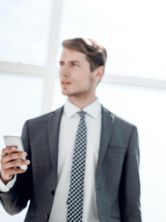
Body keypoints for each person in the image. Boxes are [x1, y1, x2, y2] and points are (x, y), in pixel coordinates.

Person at [0, 38, 141, 222]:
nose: (64, 72)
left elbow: (131, 209)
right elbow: (14, 206)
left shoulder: (125, 133)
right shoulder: (35, 129)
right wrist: (5, 178)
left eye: (74, 64)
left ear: (98, 73)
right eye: (62, 63)